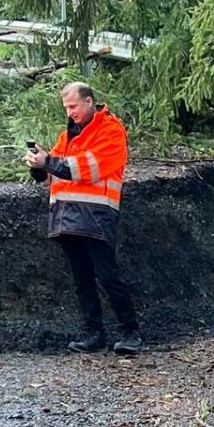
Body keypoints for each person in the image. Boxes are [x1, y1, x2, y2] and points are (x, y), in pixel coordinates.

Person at [26, 81, 142, 354]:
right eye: (66, 108)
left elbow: (89, 168)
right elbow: (55, 170)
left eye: (73, 106)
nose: (70, 113)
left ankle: (130, 332)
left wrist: (49, 163)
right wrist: (39, 167)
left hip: (97, 215)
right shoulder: (67, 137)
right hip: (67, 217)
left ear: (90, 102)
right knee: (82, 279)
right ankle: (94, 334)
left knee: (107, 275)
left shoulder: (111, 131)